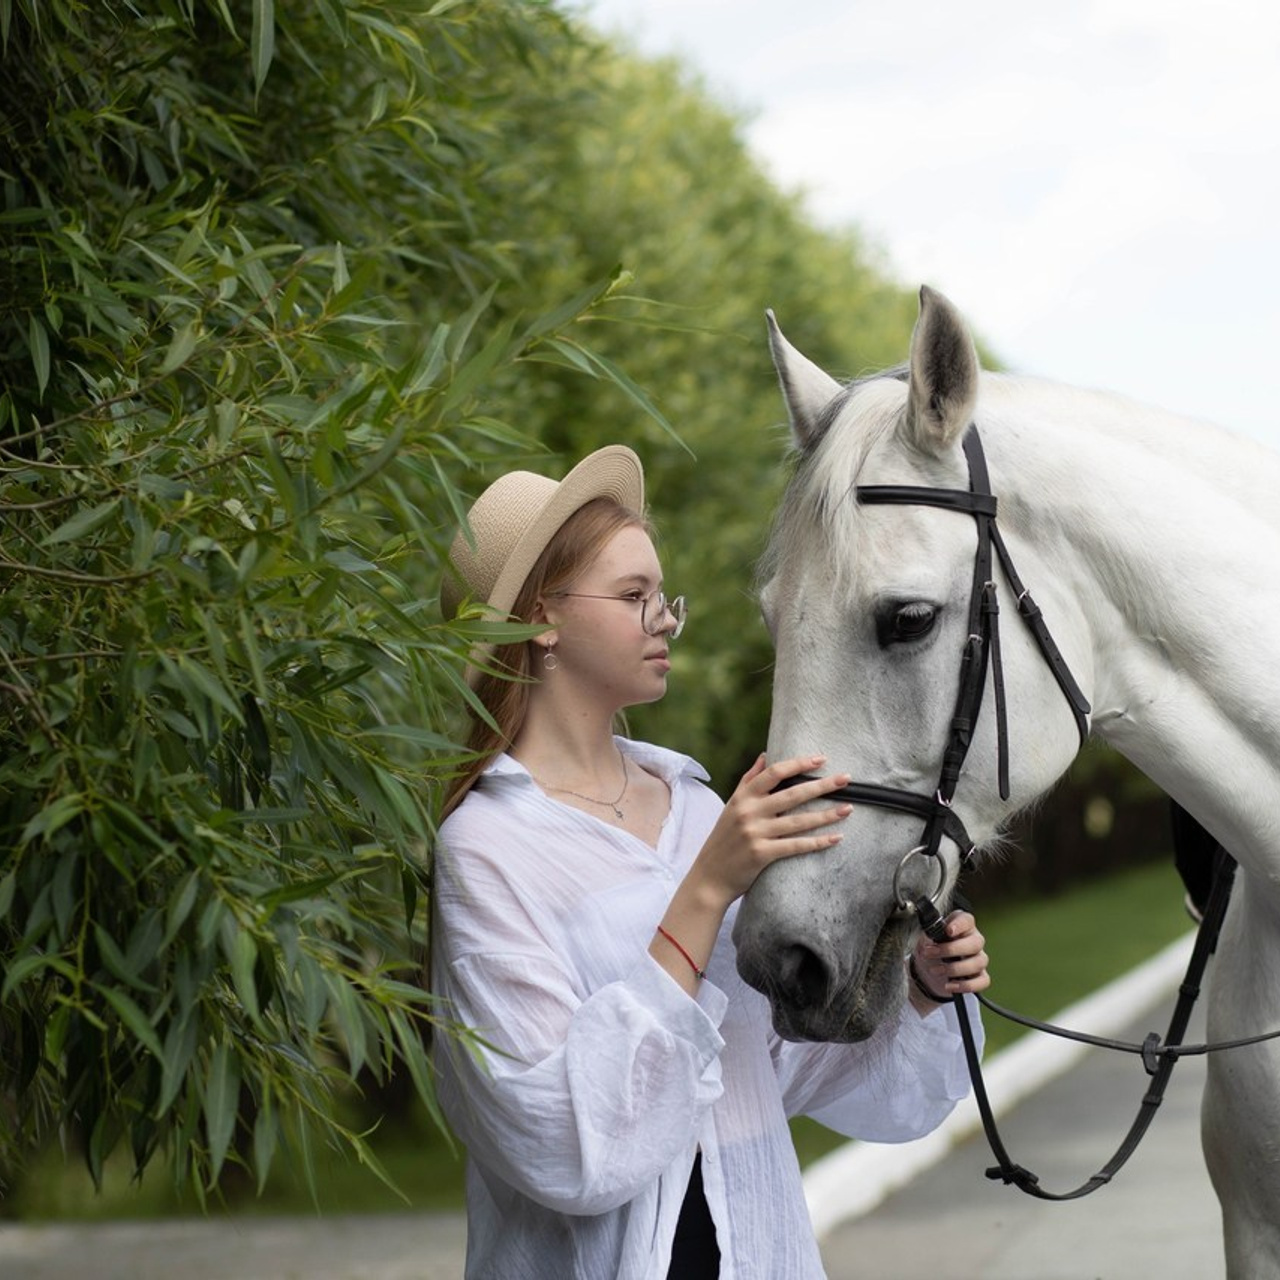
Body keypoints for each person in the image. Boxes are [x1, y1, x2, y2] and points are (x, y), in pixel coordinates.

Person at [432, 445, 990, 1279]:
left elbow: (762, 1067)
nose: (664, 619)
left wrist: (914, 990)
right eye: (633, 596)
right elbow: (555, 1138)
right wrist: (707, 889)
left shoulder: (696, 807)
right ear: (540, 618)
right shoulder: (487, 845)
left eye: (663, 596)